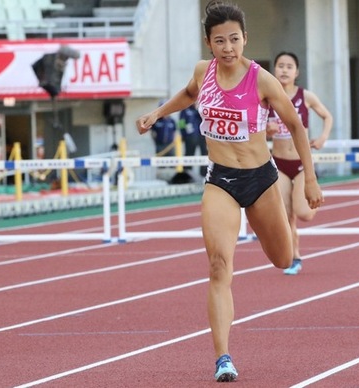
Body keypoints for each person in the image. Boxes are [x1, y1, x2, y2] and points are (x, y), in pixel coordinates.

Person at [135, 0, 323, 382]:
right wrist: (158, 113)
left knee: (284, 258)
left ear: (245, 39)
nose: (228, 48)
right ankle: (223, 357)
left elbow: (297, 126)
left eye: (234, 39)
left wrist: (312, 178)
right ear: (209, 43)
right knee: (219, 266)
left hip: (260, 179)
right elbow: (189, 94)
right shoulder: (203, 73)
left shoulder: (263, 80)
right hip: (220, 180)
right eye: (220, 41)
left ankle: (273, 233)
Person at [267, 51, 333, 275]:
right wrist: (267, 130)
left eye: (289, 66)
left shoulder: (306, 96)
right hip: (279, 163)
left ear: (297, 72)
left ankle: (308, 197)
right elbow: (254, 127)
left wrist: (323, 137)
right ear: (274, 70)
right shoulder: (268, 97)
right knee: (285, 216)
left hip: (301, 163)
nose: (284, 70)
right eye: (280, 66)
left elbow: (327, 116)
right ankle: (295, 256)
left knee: (304, 213)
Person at [178, 104, 208, 176]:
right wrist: (183, 135)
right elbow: (181, 123)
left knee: (204, 153)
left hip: (201, 135)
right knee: (189, 153)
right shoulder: (184, 110)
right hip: (190, 136)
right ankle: (187, 173)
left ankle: (204, 173)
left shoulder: (199, 110)